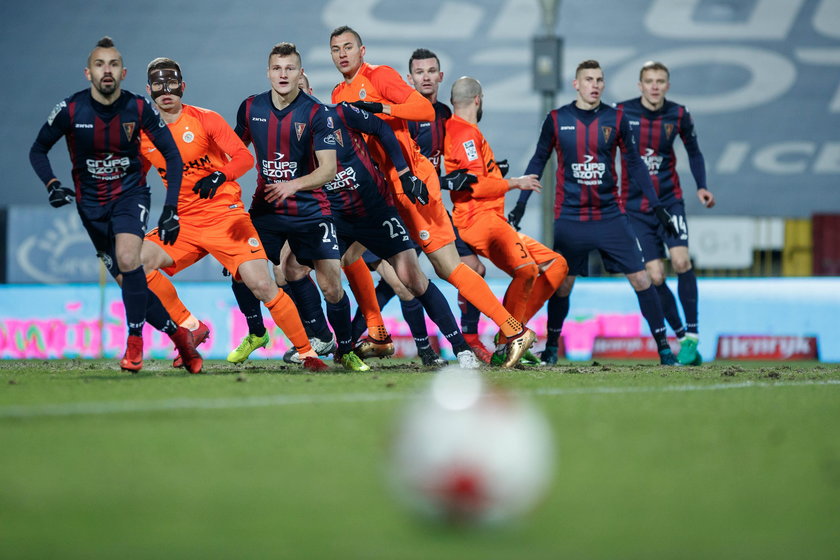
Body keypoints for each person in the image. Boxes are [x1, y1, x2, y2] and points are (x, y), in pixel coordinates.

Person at [329, 25, 535, 367]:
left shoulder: (379, 76)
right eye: (336, 49)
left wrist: (382, 107)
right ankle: (378, 334)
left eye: (349, 47)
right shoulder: (338, 93)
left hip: (412, 183)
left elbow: (423, 110)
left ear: (362, 51)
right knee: (351, 255)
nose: (342, 54)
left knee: (447, 266)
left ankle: (513, 330)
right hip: (382, 190)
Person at [137, 57, 329, 373]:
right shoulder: (144, 136)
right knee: (134, 262)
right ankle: (190, 327)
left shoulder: (205, 120)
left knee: (262, 285)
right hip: (184, 223)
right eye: (159, 85)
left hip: (226, 218)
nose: (166, 90)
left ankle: (308, 354)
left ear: (183, 87)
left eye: (172, 84)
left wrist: (220, 176)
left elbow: (243, 158)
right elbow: (136, 179)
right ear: (149, 90)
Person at [28, 36, 202, 373]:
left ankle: (134, 343)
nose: (106, 70)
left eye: (113, 64)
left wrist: (170, 210)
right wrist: (51, 184)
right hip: (91, 207)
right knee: (129, 281)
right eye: (99, 64)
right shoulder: (70, 110)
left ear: (123, 73)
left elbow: (172, 155)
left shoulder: (137, 108)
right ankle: (179, 336)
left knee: (128, 258)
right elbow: (38, 149)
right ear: (87, 73)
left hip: (130, 196)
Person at [516, 59, 681, 366]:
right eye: (589, 79)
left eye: (599, 80)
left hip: (609, 217)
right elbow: (538, 160)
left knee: (642, 280)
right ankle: (552, 348)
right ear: (576, 84)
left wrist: (657, 208)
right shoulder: (557, 118)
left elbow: (635, 164)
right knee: (562, 283)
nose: (595, 85)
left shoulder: (616, 118)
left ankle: (664, 349)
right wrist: (520, 206)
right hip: (571, 218)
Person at [444, 77, 569, 363]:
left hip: (491, 218)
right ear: (479, 99)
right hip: (480, 219)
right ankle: (510, 338)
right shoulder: (464, 134)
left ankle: (508, 338)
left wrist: (494, 172)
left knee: (556, 264)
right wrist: (514, 182)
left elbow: (476, 175)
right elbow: (475, 186)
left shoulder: (465, 132)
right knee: (526, 269)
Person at [616, 61, 715, 366]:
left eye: (660, 81)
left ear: (667, 86)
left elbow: (694, 151)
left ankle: (694, 335)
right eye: (649, 81)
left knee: (681, 260)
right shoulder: (621, 113)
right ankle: (683, 337)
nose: (655, 86)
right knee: (655, 276)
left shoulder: (679, 114)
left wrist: (701, 186)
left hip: (670, 201)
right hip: (635, 207)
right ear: (640, 85)